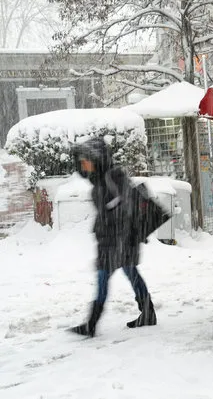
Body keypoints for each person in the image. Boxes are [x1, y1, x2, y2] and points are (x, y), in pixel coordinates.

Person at [69, 137, 157, 337]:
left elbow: (127, 206)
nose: (83, 164)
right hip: (111, 241)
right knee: (130, 274)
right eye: (81, 161)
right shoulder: (99, 180)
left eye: (86, 160)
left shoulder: (114, 176)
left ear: (97, 159)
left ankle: (92, 324)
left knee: (107, 277)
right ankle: (147, 312)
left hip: (119, 240)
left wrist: (119, 233)